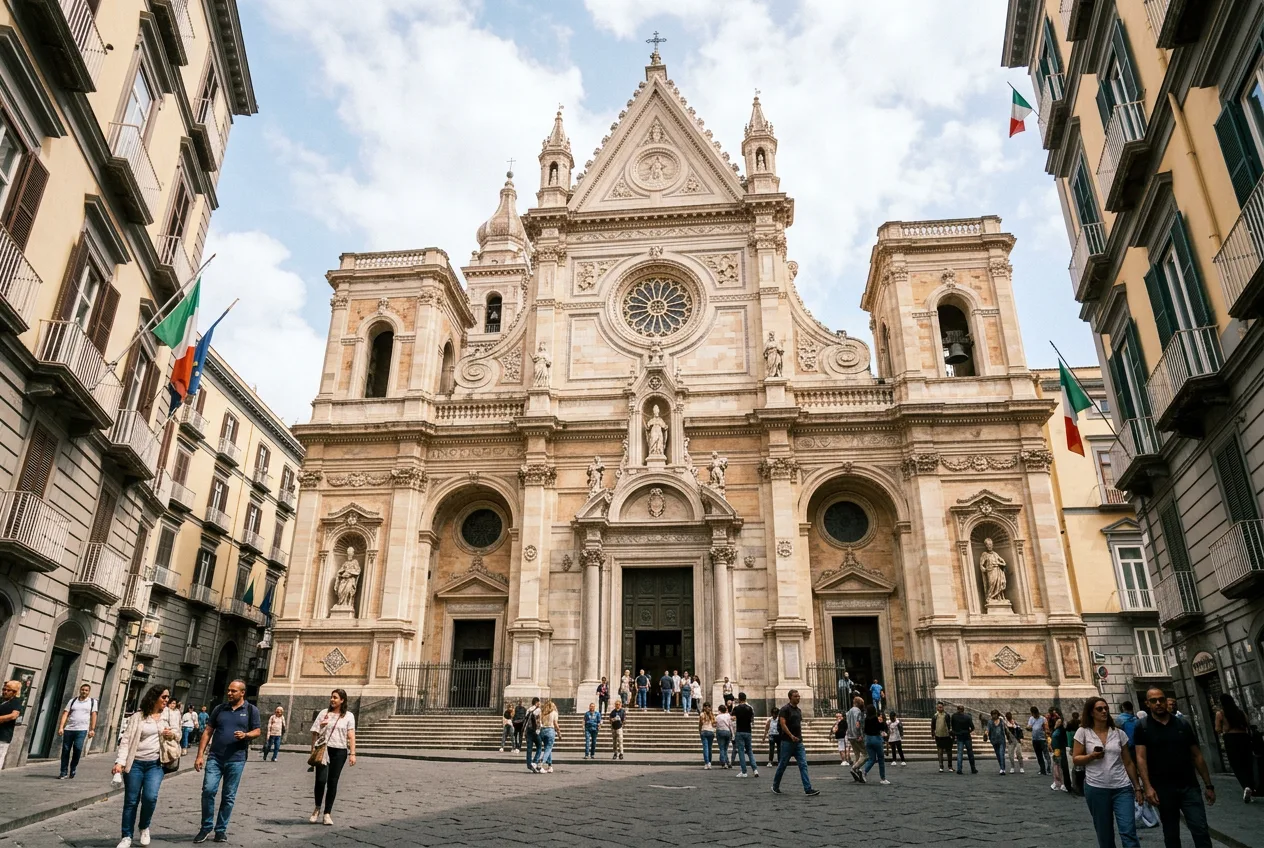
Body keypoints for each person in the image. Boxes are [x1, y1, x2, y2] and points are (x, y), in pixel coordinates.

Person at [1135, 686, 1215, 848]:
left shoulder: (1182, 724)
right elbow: (1140, 758)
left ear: (1166, 701)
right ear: (1147, 704)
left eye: (1161, 699)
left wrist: (1208, 785)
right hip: (1163, 789)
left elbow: (1197, 755)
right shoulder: (1142, 727)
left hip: (1189, 786)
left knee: (1200, 830)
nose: (1158, 703)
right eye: (1153, 700)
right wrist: (1147, 787)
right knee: (1171, 833)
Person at [193, 679, 261, 843]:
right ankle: (206, 827)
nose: (229, 693)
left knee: (228, 796)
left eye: (233, 691)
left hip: (236, 759)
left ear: (242, 693)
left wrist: (246, 735)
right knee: (208, 790)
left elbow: (258, 731)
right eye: (228, 690)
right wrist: (200, 755)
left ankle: (221, 830)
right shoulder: (219, 708)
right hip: (215, 757)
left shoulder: (251, 710)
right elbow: (208, 731)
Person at [112, 684, 179, 848]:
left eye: (167, 697)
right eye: (163, 697)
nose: (166, 700)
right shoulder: (138, 717)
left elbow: (178, 734)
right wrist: (120, 763)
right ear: (154, 697)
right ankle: (126, 836)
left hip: (155, 764)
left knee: (150, 797)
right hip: (135, 764)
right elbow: (126, 741)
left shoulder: (169, 715)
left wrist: (172, 734)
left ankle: (144, 827)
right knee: (131, 801)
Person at [1073, 695, 1142, 848]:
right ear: (1091, 712)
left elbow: (1128, 762)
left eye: (1106, 708)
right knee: (1105, 836)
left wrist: (1137, 787)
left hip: (1122, 788)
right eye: (1099, 709)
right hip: (1096, 788)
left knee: (1128, 832)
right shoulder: (1083, 732)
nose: (1104, 711)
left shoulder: (1118, 733)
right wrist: (1091, 756)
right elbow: (1076, 759)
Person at [309, 689, 356, 825]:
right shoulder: (324, 713)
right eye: (331, 697)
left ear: (342, 700)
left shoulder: (348, 716)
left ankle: (327, 813)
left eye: (335, 697)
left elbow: (351, 735)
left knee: (332, 782)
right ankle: (317, 808)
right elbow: (314, 732)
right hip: (324, 750)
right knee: (320, 780)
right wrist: (313, 750)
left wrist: (352, 753)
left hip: (340, 752)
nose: (332, 699)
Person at [771, 690, 819, 796]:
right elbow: (783, 724)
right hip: (787, 742)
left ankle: (808, 788)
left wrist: (798, 737)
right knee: (782, 764)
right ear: (790, 697)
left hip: (798, 743)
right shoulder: (784, 709)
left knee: (803, 765)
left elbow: (798, 725)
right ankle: (775, 786)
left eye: (799, 696)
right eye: (796, 696)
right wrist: (791, 735)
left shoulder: (798, 710)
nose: (798, 697)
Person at [1215, 693, 1257, 803]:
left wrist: (1223, 730)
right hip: (1244, 738)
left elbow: (1217, 729)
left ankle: (1246, 786)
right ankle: (1250, 786)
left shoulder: (1221, 713)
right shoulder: (1241, 713)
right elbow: (1248, 724)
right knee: (1248, 763)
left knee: (1236, 765)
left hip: (1231, 739)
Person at [57, 683, 98, 779]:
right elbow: (65, 713)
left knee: (78, 749)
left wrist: (92, 729)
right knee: (66, 750)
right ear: (80, 690)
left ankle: (73, 768)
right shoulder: (73, 701)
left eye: (86, 690)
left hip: (82, 729)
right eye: (83, 689)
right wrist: (61, 727)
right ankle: (63, 772)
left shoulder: (92, 702)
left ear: (89, 692)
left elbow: (94, 715)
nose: (84, 691)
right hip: (69, 729)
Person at [862, 704, 890, 785]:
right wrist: (882, 722)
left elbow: (865, 729)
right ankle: (883, 778)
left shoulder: (866, 719)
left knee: (871, 759)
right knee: (881, 758)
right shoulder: (875, 719)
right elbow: (880, 727)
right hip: (876, 738)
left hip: (868, 739)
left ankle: (864, 772)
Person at [732, 692, 758, 777]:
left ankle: (744, 771)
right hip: (748, 731)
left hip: (740, 731)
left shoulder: (736, 708)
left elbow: (732, 718)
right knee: (750, 751)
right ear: (745, 699)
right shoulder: (750, 708)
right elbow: (752, 719)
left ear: (739, 699)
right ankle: (755, 770)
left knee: (741, 752)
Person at [0, 679, 21, 770]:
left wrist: (1, 719)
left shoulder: (16, 702)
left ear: (14, 692)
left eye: (8, 690)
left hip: (3, 735)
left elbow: (14, 715)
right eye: (4, 689)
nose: (5, 692)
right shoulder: (1, 700)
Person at [846, 695, 868, 781]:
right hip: (856, 735)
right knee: (866, 755)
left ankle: (858, 772)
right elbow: (858, 724)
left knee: (857, 755)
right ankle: (854, 768)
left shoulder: (848, 712)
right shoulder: (858, 712)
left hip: (850, 735)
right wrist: (859, 735)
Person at [951, 704, 977, 774]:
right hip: (967, 736)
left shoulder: (954, 716)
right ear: (963, 709)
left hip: (959, 736)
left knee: (959, 753)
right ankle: (973, 768)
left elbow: (952, 727)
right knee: (970, 752)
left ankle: (959, 769)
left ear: (957, 709)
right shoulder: (968, 717)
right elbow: (972, 727)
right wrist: (968, 731)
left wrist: (955, 733)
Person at [535, 699, 559, 773]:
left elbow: (538, 722)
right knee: (548, 748)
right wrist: (559, 732)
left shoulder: (542, 713)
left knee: (547, 748)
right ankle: (541, 763)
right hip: (550, 730)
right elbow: (555, 723)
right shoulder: (554, 713)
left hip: (543, 730)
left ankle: (550, 766)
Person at [1028, 705, 1050, 776]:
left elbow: (1046, 728)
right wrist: (1028, 728)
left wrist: (1047, 737)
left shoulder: (1043, 719)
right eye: (1032, 713)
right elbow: (1029, 726)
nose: (1033, 715)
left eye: (1034, 713)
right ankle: (1042, 769)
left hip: (1042, 739)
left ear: (1037, 712)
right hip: (1035, 739)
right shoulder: (1031, 718)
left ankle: (1048, 768)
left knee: (1046, 754)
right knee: (1039, 755)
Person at [932, 701, 953, 773]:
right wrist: (932, 734)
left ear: (943, 707)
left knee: (949, 751)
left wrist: (951, 734)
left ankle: (950, 766)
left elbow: (949, 725)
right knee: (940, 751)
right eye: (939, 707)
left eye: (941, 707)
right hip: (938, 736)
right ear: (937, 708)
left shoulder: (946, 715)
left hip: (947, 736)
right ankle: (941, 766)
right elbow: (933, 726)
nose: (940, 708)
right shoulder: (935, 716)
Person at [1050, 708, 1068, 791]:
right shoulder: (1056, 728)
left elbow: (1063, 739)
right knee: (1056, 766)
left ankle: (1063, 783)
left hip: (1060, 749)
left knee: (1060, 767)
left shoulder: (1061, 729)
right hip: (1056, 749)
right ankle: (1057, 782)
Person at [523, 697, 542, 772]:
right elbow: (539, 720)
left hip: (528, 731)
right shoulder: (538, 709)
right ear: (537, 702)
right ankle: (535, 762)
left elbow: (526, 720)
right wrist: (539, 729)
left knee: (529, 748)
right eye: (539, 702)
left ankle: (529, 764)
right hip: (535, 731)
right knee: (539, 746)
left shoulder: (528, 710)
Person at [986, 710, 1007, 775]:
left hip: (1001, 740)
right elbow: (987, 729)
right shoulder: (990, 722)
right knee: (998, 755)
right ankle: (1001, 767)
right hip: (994, 740)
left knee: (1001, 754)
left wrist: (1009, 737)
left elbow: (1005, 729)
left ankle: (1002, 769)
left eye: (995, 714)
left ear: (998, 714)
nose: (994, 715)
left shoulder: (1001, 721)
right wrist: (986, 734)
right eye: (993, 714)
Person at [715, 703, 734, 769]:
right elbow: (731, 725)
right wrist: (733, 734)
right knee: (725, 748)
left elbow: (715, 725)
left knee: (721, 748)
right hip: (727, 731)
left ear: (719, 710)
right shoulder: (728, 716)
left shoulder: (717, 717)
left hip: (720, 732)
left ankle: (723, 763)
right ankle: (728, 762)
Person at [698, 702, 716, 769]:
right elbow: (714, 724)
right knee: (710, 748)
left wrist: (699, 731)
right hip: (711, 731)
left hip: (704, 731)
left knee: (705, 748)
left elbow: (700, 724)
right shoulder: (712, 715)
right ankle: (710, 763)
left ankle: (706, 763)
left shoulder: (702, 714)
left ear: (704, 707)